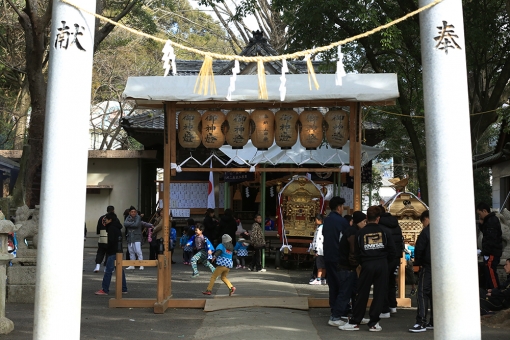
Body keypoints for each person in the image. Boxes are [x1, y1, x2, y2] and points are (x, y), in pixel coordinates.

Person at [339, 206, 396, 332]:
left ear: (367, 218)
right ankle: (374, 322)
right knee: (379, 294)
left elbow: (356, 252)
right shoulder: (385, 231)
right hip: (382, 264)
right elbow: (393, 251)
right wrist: (385, 261)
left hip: (367, 264)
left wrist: (362, 262)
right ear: (378, 218)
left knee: (362, 293)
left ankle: (355, 321)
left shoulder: (360, 233)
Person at [322, 196, 351, 326]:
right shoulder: (342, 222)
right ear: (339, 207)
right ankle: (338, 313)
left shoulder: (326, 220)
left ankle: (335, 309)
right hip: (339, 256)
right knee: (343, 285)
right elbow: (346, 239)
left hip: (328, 255)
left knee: (333, 284)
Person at [409, 210, 434, 332]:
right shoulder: (444, 230)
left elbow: (419, 249)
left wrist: (417, 263)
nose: (423, 224)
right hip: (441, 268)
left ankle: (421, 321)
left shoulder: (426, 232)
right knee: (435, 294)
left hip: (427, 266)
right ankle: (434, 320)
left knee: (422, 292)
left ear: (427, 218)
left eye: (423, 221)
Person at [378, 205, 404, 318]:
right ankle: (393, 306)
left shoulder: (380, 226)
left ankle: (384, 310)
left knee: (382, 282)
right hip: (396, 257)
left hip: (385, 257)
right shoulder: (396, 224)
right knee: (392, 282)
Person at [95, 212, 128, 296]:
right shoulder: (117, 227)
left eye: (106, 219)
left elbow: (111, 241)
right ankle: (123, 288)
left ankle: (105, 289)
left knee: (108, 271)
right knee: (120, 270)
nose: (105, 220)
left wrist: (106, 247)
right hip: (119, 251)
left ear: (110, 219)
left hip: (113, 252)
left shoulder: (111, 228)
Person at [476, 202, 503, 289]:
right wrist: (481, 224)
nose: (479, 216)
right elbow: (486, 233)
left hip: (492, 252)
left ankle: (495, 292)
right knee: (488, 272)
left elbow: (491, 238)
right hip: (490, 251)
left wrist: (484, 251)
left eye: (480, 214)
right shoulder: (488, 220)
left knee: (491, 272)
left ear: (484, 211)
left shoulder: (492, 220)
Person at [124, 206, 150, 270]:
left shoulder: (138, 217)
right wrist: (133, 223)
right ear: (129, 212)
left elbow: (136, 225)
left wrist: (130, 224)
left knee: (138, 251)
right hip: (130, 236)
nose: (133, 213)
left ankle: (141, 264)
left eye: (134, 212)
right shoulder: (127, 217)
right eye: (132, 212)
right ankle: (132, 265)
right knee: (131, 251)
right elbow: (125, 224)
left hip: (137, 236)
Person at [94, 205, 118, 273]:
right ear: (113, 210)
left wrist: (99, 232)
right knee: (109, 253)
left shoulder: (101, 218)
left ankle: (97, 266)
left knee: (100, 252)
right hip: (110, 237)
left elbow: (98, 228)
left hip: (102, 237)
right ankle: (106, 267)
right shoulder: (113, 218)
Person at [310, 214, 326, 285]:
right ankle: (323, 278)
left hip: (320, 249)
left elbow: (318, 240)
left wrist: (315, 249)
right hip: (323, 249)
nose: (315, 221)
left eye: (316, 220)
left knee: (319, 265)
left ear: (320, 220)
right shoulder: (320, 227)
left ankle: (319, 278)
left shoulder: (321, 228)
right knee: (323, 265)